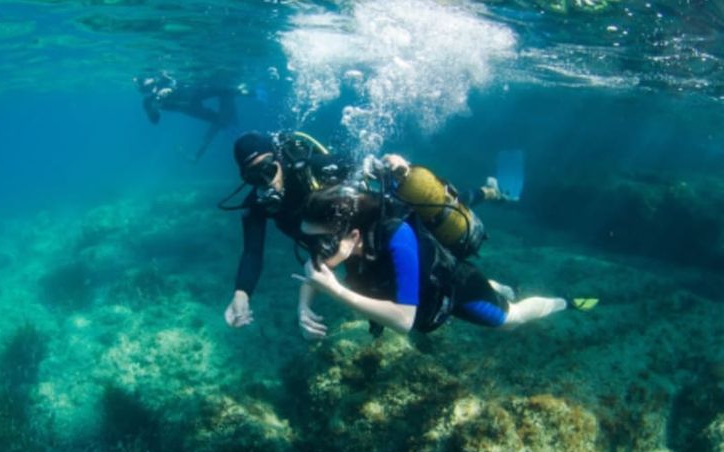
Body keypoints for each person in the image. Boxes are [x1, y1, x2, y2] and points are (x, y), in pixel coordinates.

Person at [295, 185, 597, 340]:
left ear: (353, 235)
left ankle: (564, 302)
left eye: (320, 242)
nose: (316, 251)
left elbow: (403, 321)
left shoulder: (397, 237)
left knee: (510, 321)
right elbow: (315, 272)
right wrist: (303, 308)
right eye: (310, 242)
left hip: (454, 288)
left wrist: (336, 291)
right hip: (422, 286)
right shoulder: (345, 240)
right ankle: (497, 286)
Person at [220, 131, 354, 328]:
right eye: (253, 177)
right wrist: (242, 293)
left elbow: (355, 164)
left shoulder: (311, 168)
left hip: (354, 235)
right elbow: (252, 252)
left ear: (279, 160)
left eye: (268, 169)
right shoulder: (256, 203)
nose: (265, 181)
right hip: (326, 252)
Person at [135, 71, 253, 162]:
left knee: (224, 90)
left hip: (192, 93)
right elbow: (155, 120)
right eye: (146, 89)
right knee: (219, 120)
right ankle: (235, 133)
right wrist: (154, 108)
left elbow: (176, 80)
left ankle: (249, 92)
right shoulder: (148, 102)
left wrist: (171, 87)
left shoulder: (162, 78)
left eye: (151, 85)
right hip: (188, 108)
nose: (152, 90)